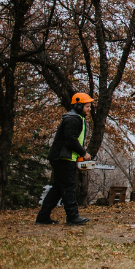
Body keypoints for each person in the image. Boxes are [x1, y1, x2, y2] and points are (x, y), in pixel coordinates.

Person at [35, 93, 93, 226]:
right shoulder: (73, 119)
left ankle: (43, 217)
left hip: (65, 157)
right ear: (78, 106)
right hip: (63, 158)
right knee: (68, 187)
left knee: (57, 189)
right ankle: (72, 216)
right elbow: (70, 139)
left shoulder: (76, 118)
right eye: (87, 106)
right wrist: (83, 153)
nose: (89, 109)